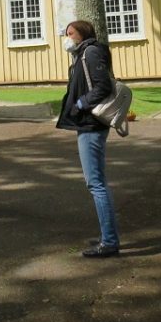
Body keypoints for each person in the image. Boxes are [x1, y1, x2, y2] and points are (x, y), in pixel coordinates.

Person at [57, 20, 121, 258]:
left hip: (91, 124)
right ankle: (108, 236)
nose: (67, 37)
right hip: (87, 123)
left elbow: (102, 85)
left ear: (81, 34)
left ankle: (109, 241)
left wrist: (82, 103)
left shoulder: (91, 52)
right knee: (97, 183)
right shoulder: (83, 54)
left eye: (70, 33)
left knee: (96, 184)